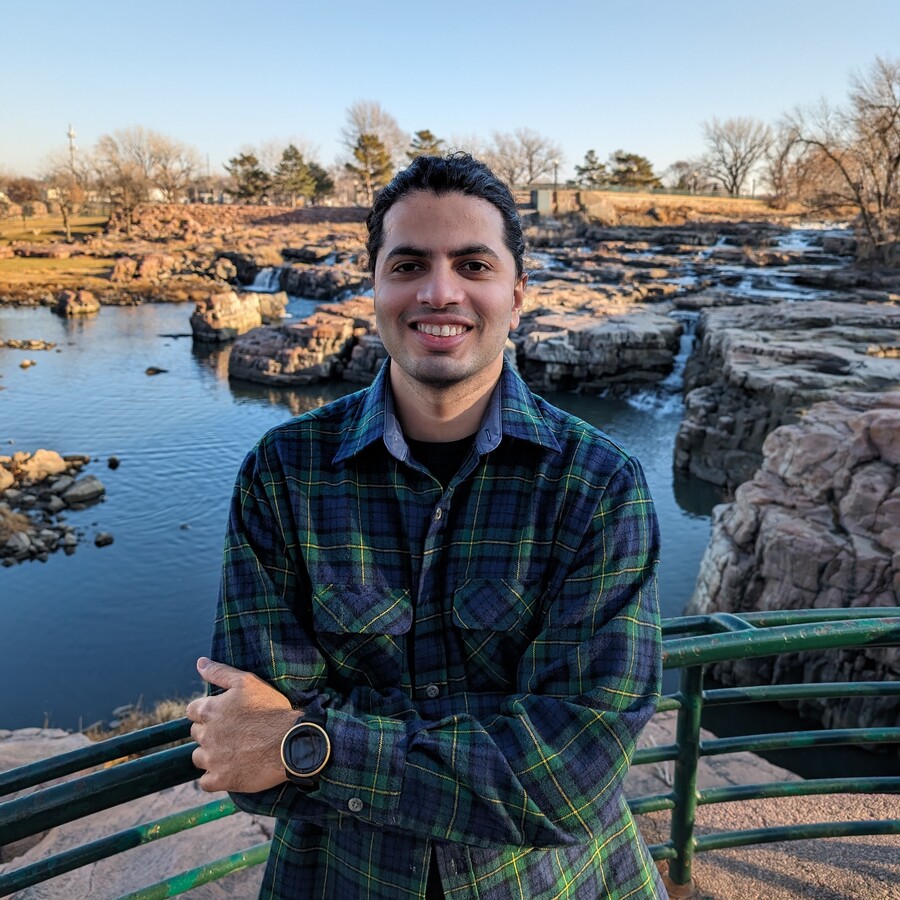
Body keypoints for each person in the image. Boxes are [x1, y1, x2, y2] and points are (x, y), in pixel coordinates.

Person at [187, 153, 665, 899]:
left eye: (473, 264)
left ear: (516, 291)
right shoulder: (283, 475)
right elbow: (251, 765)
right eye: (409, 264)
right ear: (375, 284)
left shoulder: (597, 486)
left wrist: (310, 746)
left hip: (551, 884)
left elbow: (573, 779)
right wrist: (489, 759)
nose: (441, 292)